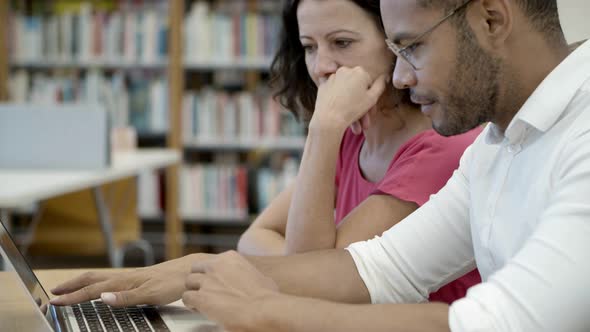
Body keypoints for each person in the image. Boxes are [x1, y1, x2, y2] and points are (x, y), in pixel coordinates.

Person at [50, 0, 590, 331]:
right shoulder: (496, 145)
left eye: (411, 47)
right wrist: (191, 271)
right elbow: (380, 268)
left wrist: (266, 309)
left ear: (492, 18)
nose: (400, 79)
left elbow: (506, 324)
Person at [237, 0, 481, 303]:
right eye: (309, 47)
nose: (320, 67)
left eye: (342, 43)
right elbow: (252, 238)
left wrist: (323, 129)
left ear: (396, 42)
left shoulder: (441, 145)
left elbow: (315, 286)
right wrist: (293, 266)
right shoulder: (353, 132)